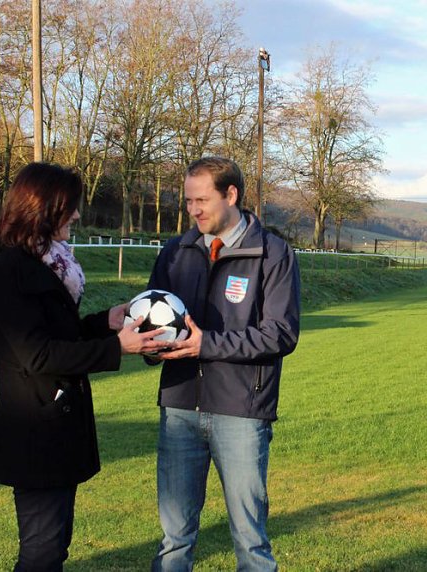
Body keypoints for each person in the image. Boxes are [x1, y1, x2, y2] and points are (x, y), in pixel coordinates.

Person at [0, 162, 166, 571]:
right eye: (70, 207)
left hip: (56, 429)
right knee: (43, 550)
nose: (78, 215)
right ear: (41, 209)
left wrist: (106, 322)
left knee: (54, 545)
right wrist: (117, 348)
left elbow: (58, 334)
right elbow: (38, 355)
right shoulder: (8, 271)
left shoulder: (44, 263)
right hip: (35, 431)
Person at [146, 156, 300, 571]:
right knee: (174, 541)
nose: (193, 210)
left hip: (241, 413)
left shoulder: (272, 253)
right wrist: (148, 345)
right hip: (179, 407)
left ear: (231, 195)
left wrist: (205, 345)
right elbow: (155, 318)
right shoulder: (177, 252)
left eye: (202, 200)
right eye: (188, 201)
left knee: (250, 541)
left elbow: (281, 334)